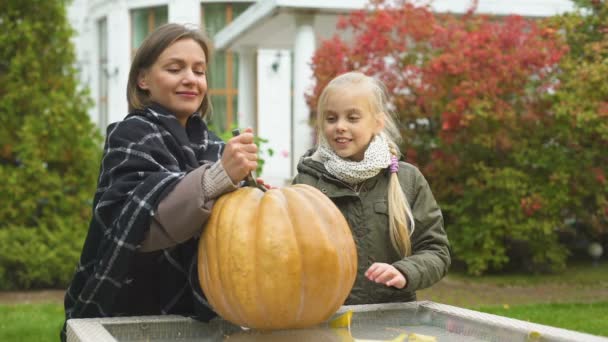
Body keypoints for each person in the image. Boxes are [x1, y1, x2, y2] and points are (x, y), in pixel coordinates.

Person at [61, 23, 259, 339]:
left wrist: (258, 198)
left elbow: (233, 233)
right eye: (174, 68)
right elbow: (142, 227)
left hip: (204, 312)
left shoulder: (213, 147)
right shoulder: (129, 136)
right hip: (133, 308)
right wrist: (220, 177)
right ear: (143, 80)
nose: (190, 79)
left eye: (199, 70)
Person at [293, 71, 450, 305]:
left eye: (353, 118)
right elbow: (289, 252)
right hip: (327, 317)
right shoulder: (307, 185)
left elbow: (436, 250)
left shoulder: (407, 180)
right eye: (331, 118)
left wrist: (406, 272)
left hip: (393, 317)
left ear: (377, 123)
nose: (340, 127)